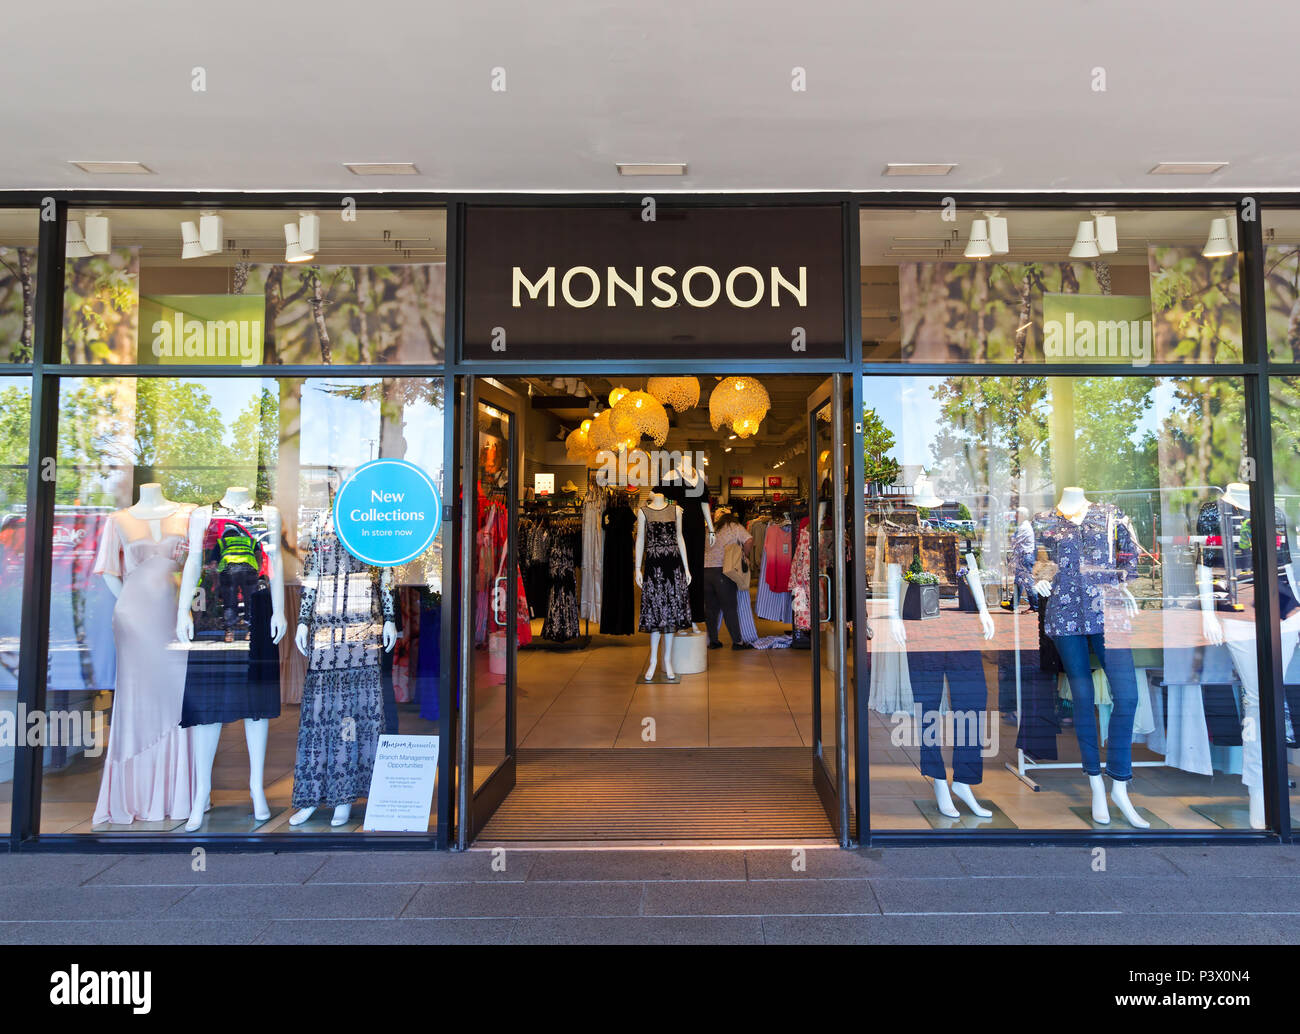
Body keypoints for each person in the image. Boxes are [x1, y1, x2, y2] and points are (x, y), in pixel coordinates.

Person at [703, 508, 753, 650]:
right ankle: (737, 642)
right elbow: (749, 540)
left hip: (706, 572)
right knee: (729, 608)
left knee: (711, 609)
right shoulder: (734, 527)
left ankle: (713, 641)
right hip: (723, 572)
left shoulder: (710, 529)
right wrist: (744, 555)